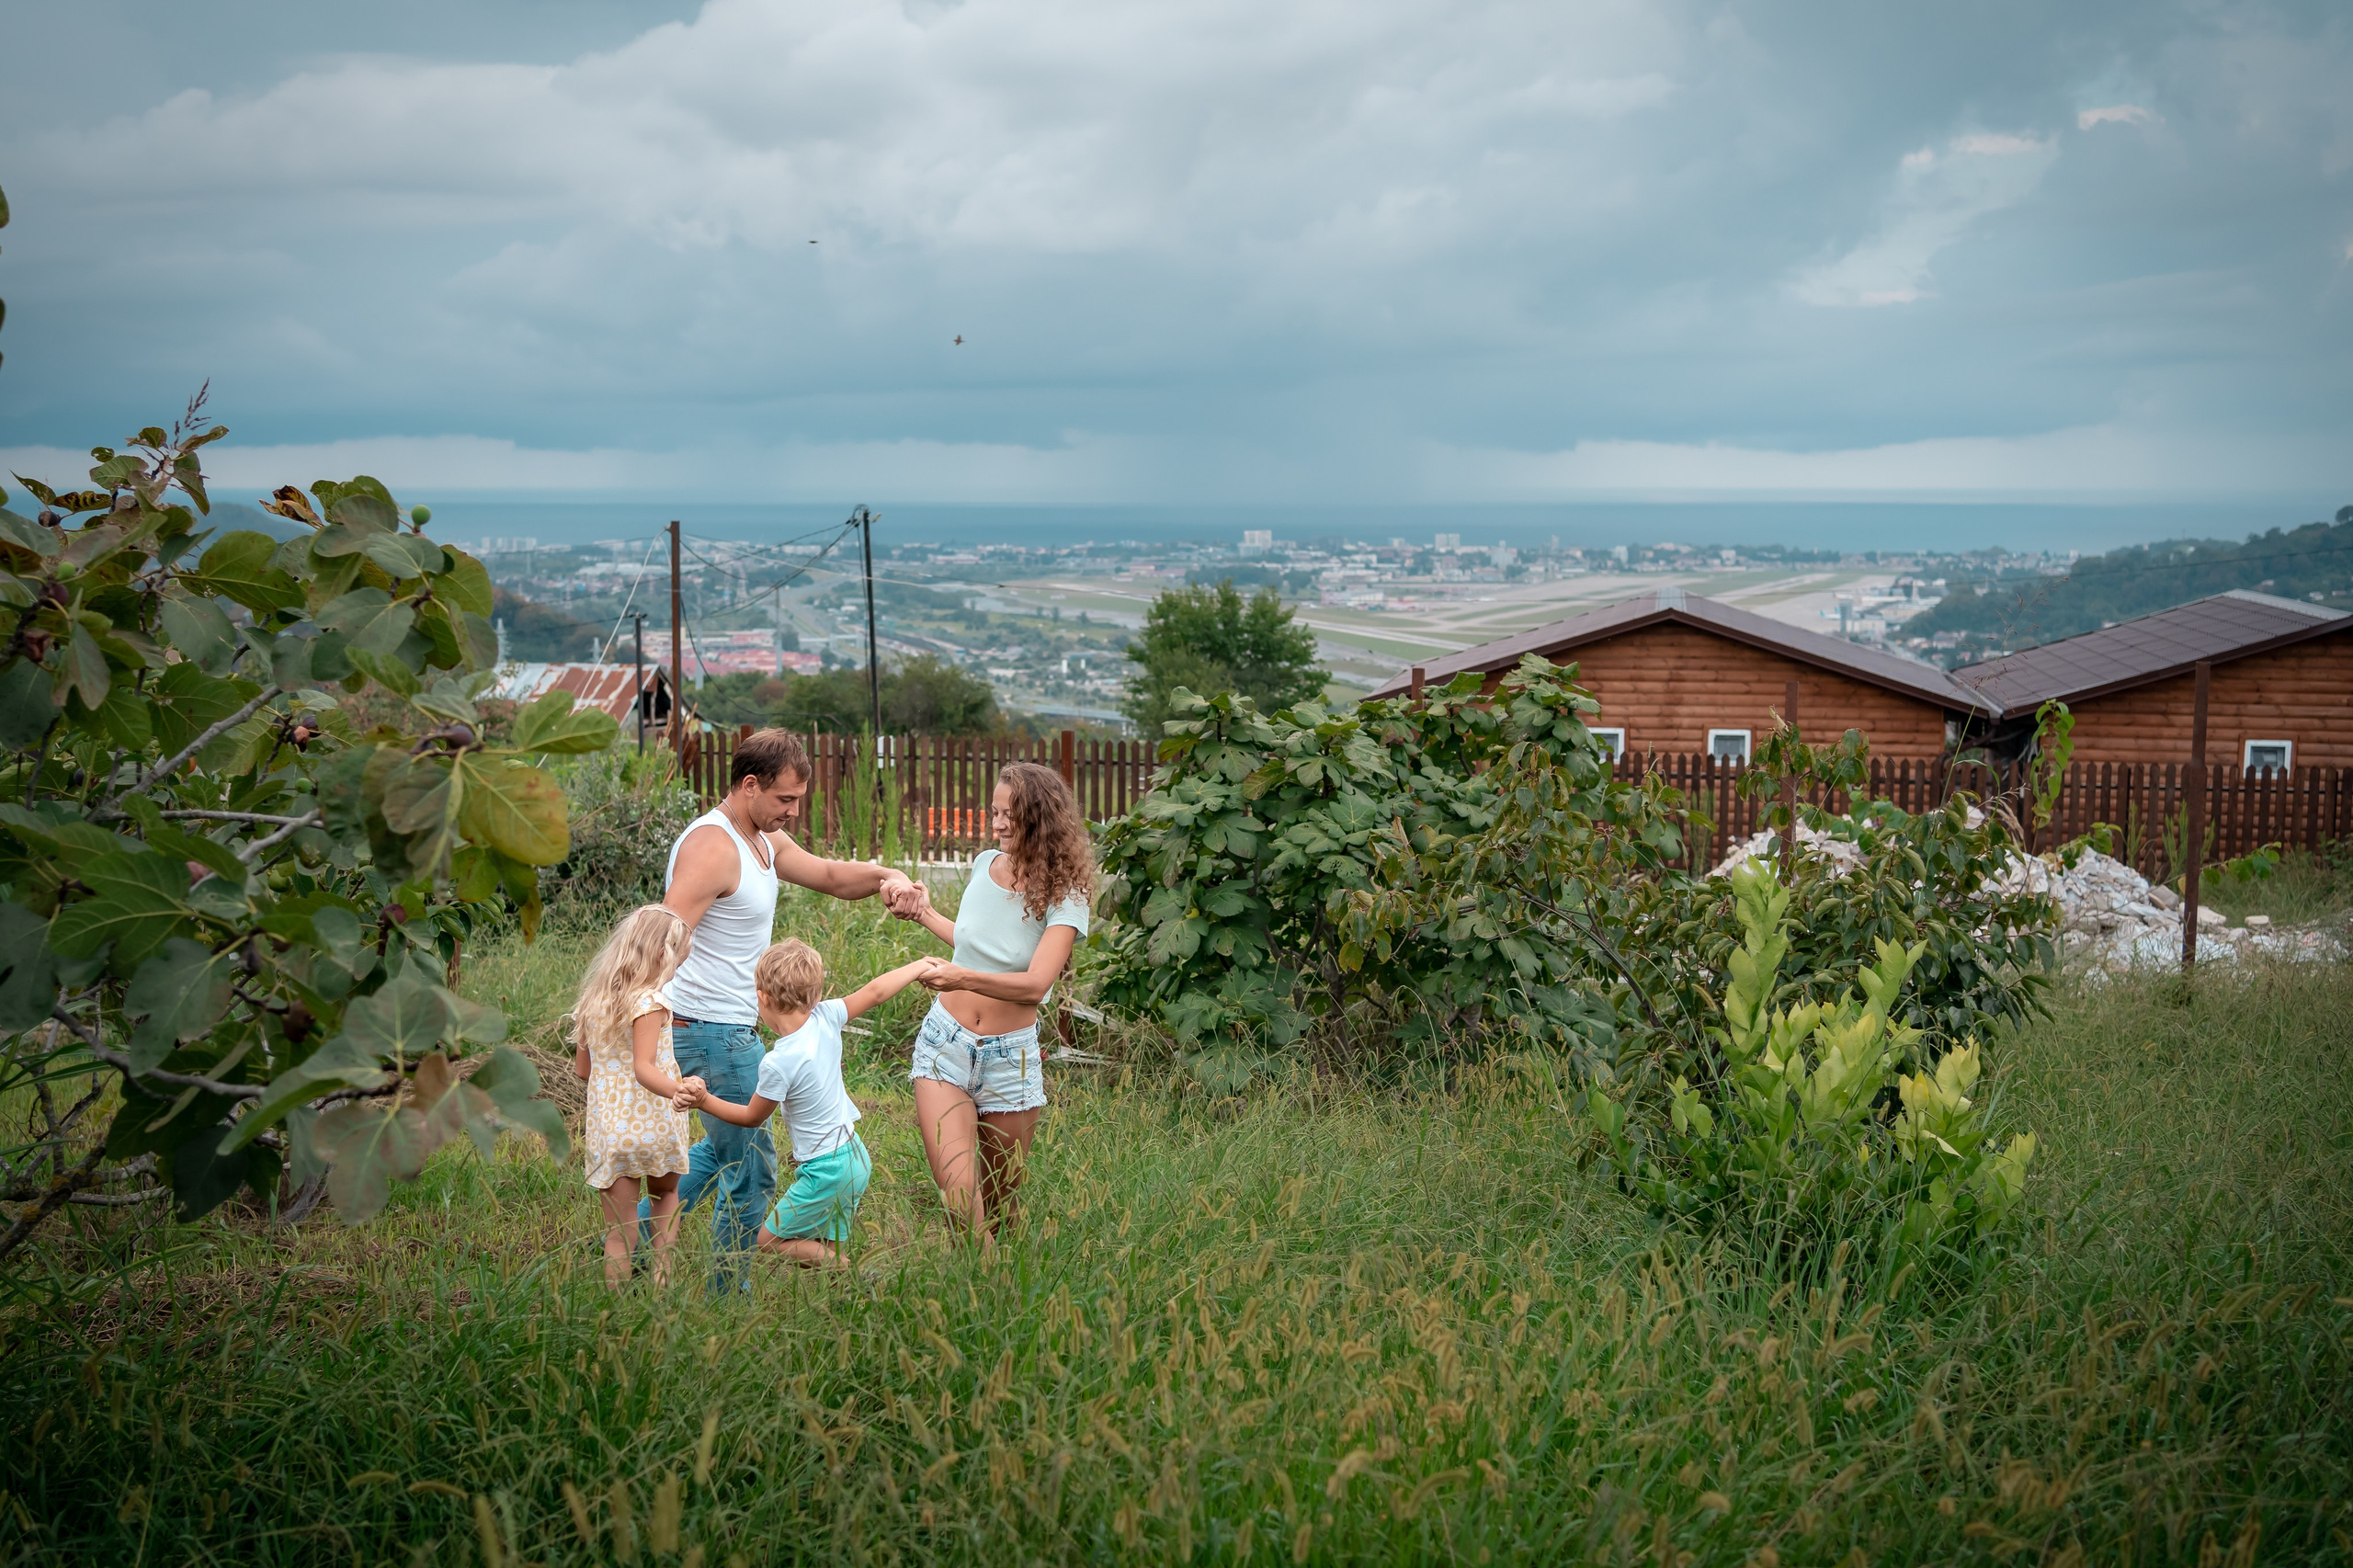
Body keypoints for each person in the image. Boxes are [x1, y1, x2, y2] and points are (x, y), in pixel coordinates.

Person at [650, 729, 927, 1292]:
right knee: (752, 1171)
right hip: (708, 1030)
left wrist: (887, 877)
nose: (794, 812)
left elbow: (826, 874)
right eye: (785, 799)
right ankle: (727, 1298)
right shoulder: (713, 846)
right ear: (749, 786)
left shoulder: (760, 839)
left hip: (727, 1029)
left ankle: (629, 1245)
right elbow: (661, 939)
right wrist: (625, 1025)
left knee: (718, 1153)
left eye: (798, 799)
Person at [894, 761, 1095, 1244]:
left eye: (1010, 814)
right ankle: (980, 1280)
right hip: (946, 1043)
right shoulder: (985, 864)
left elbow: (1034, 984)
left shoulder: (1066, 896)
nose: (998, 823)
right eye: (995, 812)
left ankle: (999, 1296)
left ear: (1040, 819)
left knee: (1001, 1208)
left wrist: (962, 976)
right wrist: (923, 913)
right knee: (964, 1206)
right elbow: (969, 944)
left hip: (1011, 1057)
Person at [685, 939, 943, 1267]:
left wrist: (704, 1101)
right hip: (853, 1154)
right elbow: (876, 991)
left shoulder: (779, 1061)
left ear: (762, 997)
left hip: (825, 1169)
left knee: (767, 1241)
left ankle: (853, 1272)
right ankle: (847, 1294)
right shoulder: (826, 1016)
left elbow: (751, 1117)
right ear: (816, 995)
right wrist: (919, 965)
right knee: (824, 1244)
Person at [568, 904, 704, 1288]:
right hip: (656, 1121)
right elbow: (644, 1068)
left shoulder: (593, 1003)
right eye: (678, 959)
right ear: (662, 955)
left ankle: (618, 1312)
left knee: (618, 1235)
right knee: (666, 1196)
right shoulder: (651, 1003)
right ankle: (661, 1284)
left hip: (611, 1129)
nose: (677, 968)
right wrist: (679, 1090)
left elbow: (583, 1071)